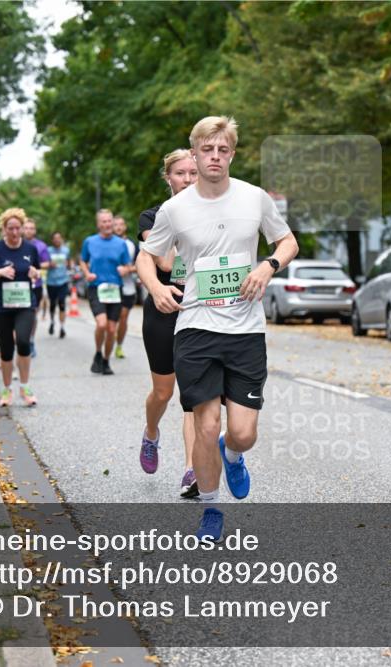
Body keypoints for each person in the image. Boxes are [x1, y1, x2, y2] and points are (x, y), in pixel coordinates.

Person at [137, 116, 299, 541]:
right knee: (205, 426)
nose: (214, 157)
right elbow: (146, 256)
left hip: (246, 331)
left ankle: (233, 454)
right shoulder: (175, 210)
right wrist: (156, 287)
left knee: (242, 434)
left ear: (232, 154)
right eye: (206, 150)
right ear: (194, 154)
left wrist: (268, 266)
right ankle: (211, 508)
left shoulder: (254, 198)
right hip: (195, 328)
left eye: (222, 150)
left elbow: (288, 241)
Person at [138, 148, 199, 496]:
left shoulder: (215, 212)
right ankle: (151, 434)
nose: (188, 180)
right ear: (168, 178)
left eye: (193, 173)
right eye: (180, 173)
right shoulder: (152, 216)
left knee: (193, 394)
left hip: (199, 310)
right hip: (164, 310)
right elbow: (164, 262)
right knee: (163, 392)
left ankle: (192, 470)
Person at [0, 208, 42, 407]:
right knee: (6, 349)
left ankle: (25, 387)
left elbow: (37, 271)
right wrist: (0, 272)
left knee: (23, 342)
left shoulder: (30, 249)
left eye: (18, 228)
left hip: (25, 304)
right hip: (1, 306)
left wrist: (35, 274)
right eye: (10, 228)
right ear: (4, 229)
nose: (15, 232)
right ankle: (7, 390)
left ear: (22, 228)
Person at [80, 209, 135, 375]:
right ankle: (98, 352)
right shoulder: (90, 241)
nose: (107, 224)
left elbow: (128, 265)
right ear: (98, 224)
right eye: (104, 221)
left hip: (115, 290)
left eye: (109, 221)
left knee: (111, 329)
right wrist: (87, 273)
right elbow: (83, 260)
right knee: (102, 324)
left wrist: (125, 269)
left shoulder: (120, 244)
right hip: (96, 288)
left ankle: (105, 360)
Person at [22, 219, 51, 357]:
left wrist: (34, 265)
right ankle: (20, 341)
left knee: (32, 314)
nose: (28, 231)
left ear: (35, 230)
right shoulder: (16, 243)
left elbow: (47, 263)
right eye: (26, 228)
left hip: (35, 284)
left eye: (31, 228)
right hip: (20, 285)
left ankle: (31, 341)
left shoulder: (41, 246)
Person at [112, 216, 138, 359]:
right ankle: (109, 340)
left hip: (128, 287)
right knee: (111, 320)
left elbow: (141, 265)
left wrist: (128, 269)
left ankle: (119, 346)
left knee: (123, 318)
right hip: (110, 288)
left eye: (121, 224)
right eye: (116, 224)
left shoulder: (132, 244)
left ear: (125, 227)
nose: (118, 227)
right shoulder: (107, 243)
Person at [45, 231, 71, 338]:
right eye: (55, 238)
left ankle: (62, 327)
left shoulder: (66, 250)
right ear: (52, 240)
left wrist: (68, 265)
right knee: (52, 304)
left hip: (63, 281)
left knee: (62, 304)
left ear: (61, 239)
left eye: (59, 238)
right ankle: (52, 322)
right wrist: (49, 264)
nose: (57, 240)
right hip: (51, 281)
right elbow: (44, 263)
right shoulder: (48, 250)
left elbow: (69, 263)